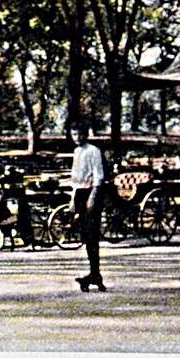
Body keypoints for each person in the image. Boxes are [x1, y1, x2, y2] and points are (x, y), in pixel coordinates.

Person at [69, 123, 107, 292]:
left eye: (80, 133)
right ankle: (94, 273)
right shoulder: (77, 152)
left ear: (86, 134)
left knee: (92, 235)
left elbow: (98, 175)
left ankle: (95, 274)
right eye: (74, 134)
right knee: (85, 235)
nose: (77, 137)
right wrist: (73, 200)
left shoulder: (94, 151)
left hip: (91, 193)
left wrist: (92, 197)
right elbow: (75, 179)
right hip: (79, 193)